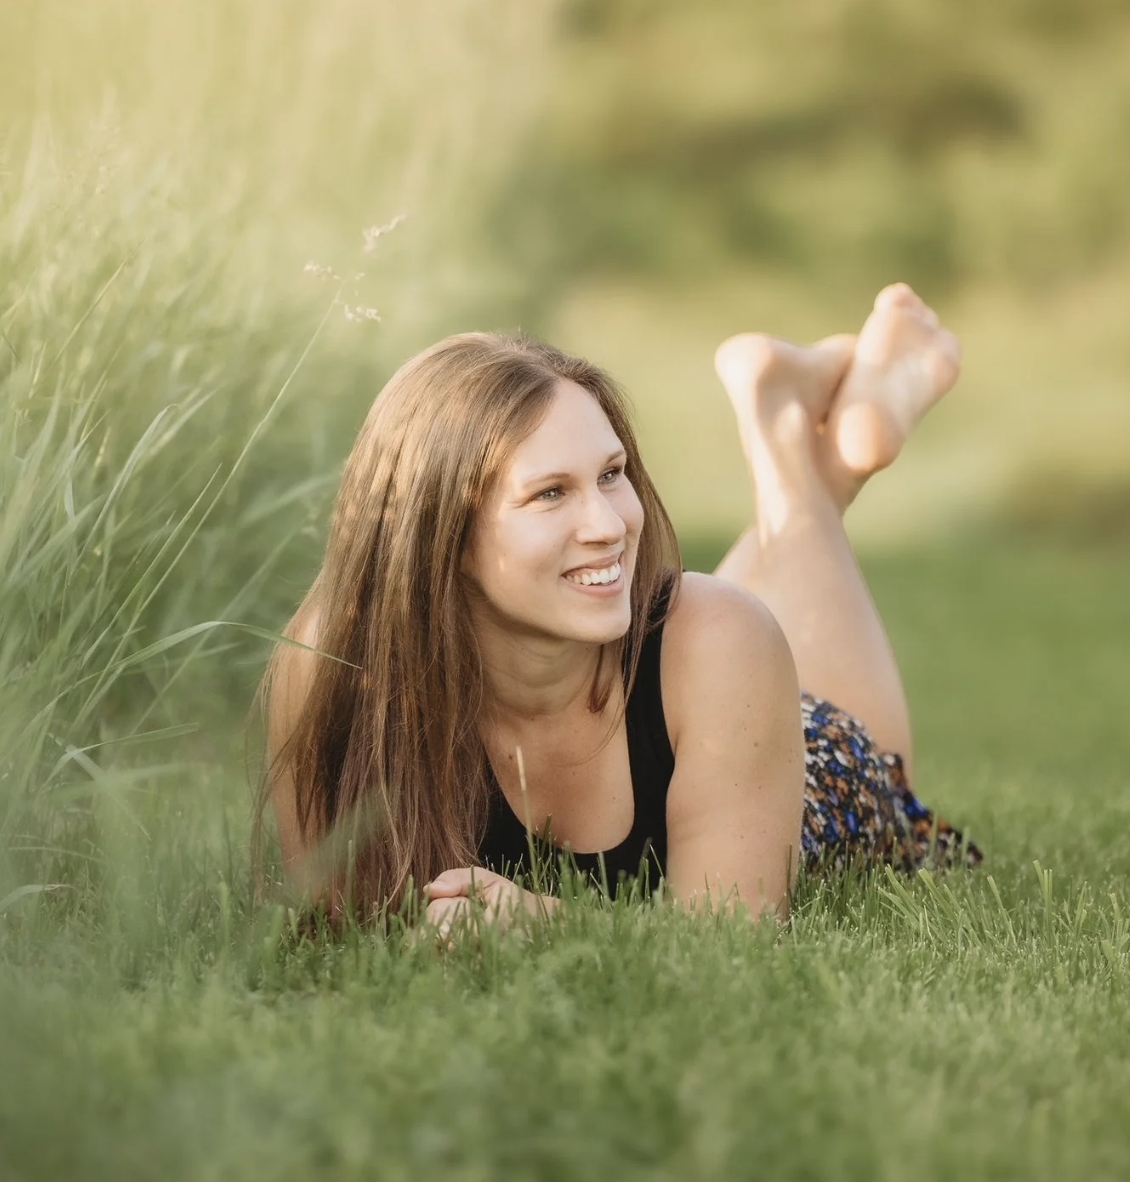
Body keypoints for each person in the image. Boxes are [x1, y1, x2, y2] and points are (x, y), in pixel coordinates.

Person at [259, 282, 980, 935]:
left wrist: (545, 921)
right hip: (695, 672)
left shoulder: (723, 638)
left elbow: (733, 937)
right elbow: (337, 923)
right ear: (440, 532)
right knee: (696, 622)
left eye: (611, 474)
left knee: (725, 626)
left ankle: (787, 448)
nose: (610, 523)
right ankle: (818, 442)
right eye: (550, 493)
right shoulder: (332, 664)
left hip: (807, 756)